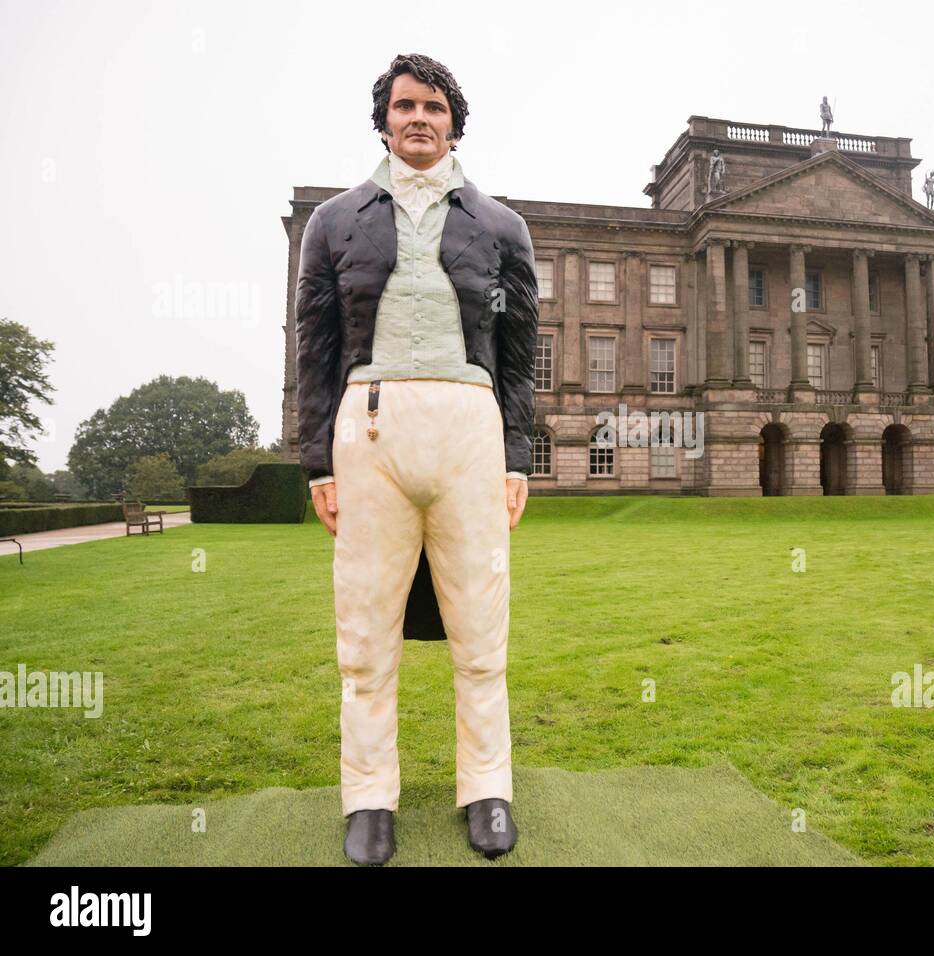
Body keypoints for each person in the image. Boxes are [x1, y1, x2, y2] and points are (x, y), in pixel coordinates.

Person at [294, 53, 538, 864]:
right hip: (369, 428)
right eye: (404, 106)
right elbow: (316, 347)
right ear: (384, 120)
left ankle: (488, 789)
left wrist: (514, 457)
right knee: (364, 627)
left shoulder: (502, 226)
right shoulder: (334, 222)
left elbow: (516, 352)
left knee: (480, 623)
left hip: (470, 424)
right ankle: (369, 799)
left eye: (434, 106)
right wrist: (317, 464)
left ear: (454, 122)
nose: (419, 118)